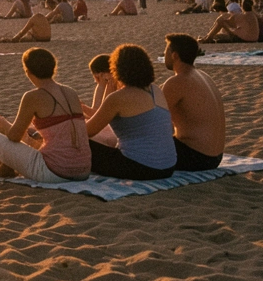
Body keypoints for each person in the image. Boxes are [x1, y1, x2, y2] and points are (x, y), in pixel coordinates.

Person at [0, 48, 90, 182]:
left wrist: (2, 125)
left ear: (27, 72)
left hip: (55, 172)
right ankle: (4, 169)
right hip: (84, 170)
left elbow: (14, 136)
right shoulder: (71, 92)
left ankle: (4, 170)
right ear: (53, 68)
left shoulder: (32, 96)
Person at [85, 44, 176, 180]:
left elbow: (87, 131)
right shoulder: (155, 90)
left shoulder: (119, 97)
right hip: (168, 167)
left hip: (141, 167)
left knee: (74, 142)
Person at [161, 34, 225, 171]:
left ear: (174, 56)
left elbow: (154, 119)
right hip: (216, 157)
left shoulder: (177, 82)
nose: (163, 54)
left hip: (196, 158)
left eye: (166, 51)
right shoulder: (204, 76)